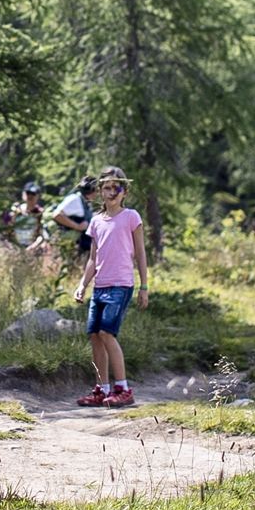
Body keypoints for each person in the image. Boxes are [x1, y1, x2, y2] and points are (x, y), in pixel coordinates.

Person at [73, 165, 148, 408]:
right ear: (100, 191)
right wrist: (83, 285)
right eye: (106, 187)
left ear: (124, 192)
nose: (111, 191)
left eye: (116, 187)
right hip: (100, 286)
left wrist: (144, 286)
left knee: (107, 332)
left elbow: (140, 253)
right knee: (95, 336)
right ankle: (102, 389)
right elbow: (93, 258)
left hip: (121, 284)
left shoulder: (131, 217)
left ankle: (123, 388)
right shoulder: (95, 221)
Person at [51, 175, 100, 255]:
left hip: (78, 245)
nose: (98, 193)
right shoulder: (75, 199)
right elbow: (57, 215)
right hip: (68, 244)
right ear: (91, 190)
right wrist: (77, 226)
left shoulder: (85, 202)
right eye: (97, 190)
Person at [4, 181, 48, 251]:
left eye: (33, 194)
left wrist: (32, 247)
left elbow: (43, 235)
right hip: (13, 247)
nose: (30, 196)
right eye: (28, 193)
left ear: (38, 196)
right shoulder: (15, 210)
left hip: (33, 248)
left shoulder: (41, 213)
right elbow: (5, 229)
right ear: (23, 194)